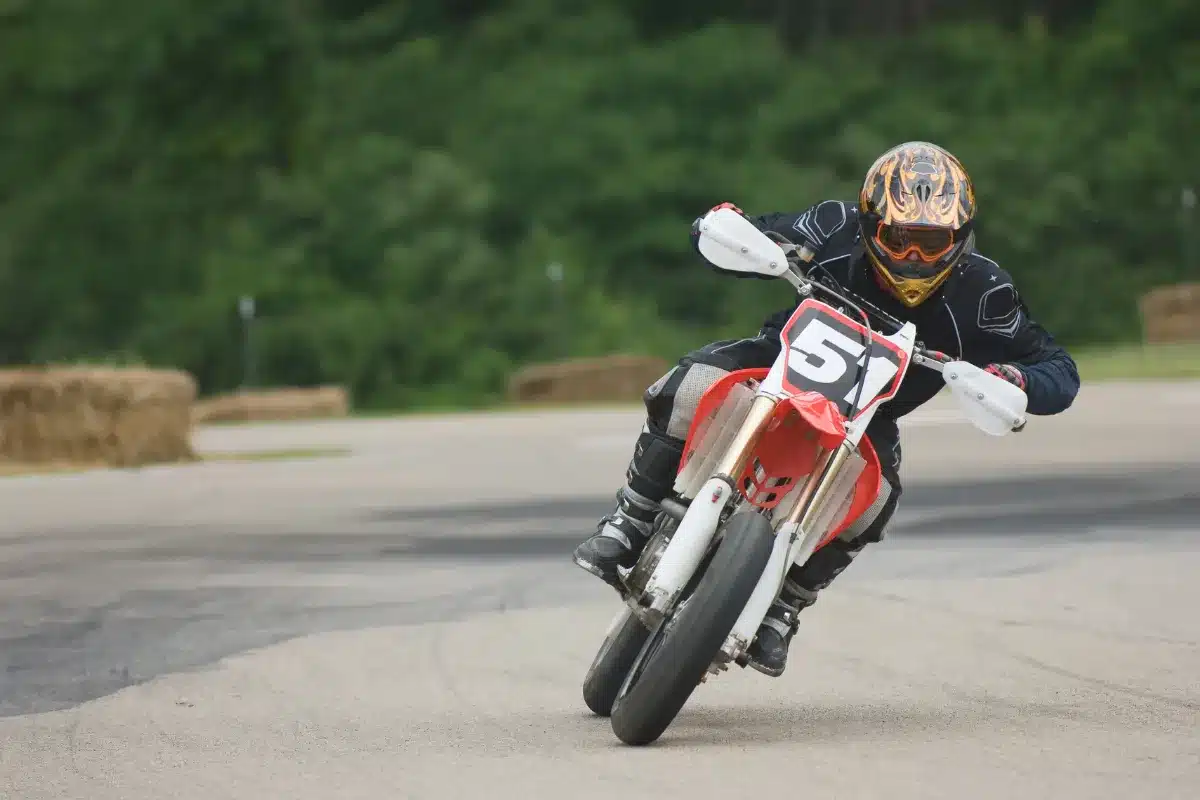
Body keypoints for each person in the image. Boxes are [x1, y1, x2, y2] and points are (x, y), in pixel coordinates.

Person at [571, 141, 1081, 677]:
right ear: (869, 226)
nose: (912, 258)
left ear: (959, 239)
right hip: (777, 363)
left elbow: (1058, 368)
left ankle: (785, 604)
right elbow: (757, 235)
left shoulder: (985, 292)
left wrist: (1015, 377)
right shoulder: (833, 226)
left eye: (932, 244)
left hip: (868, 417)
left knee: (877, 501)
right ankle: (630, 517)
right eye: (900, 238)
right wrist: (731, 229)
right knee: (692, 383)